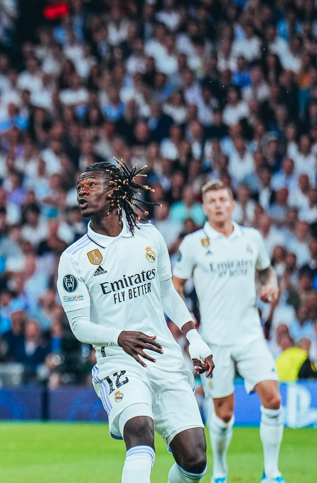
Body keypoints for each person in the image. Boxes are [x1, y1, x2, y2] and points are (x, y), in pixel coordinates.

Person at [57, 160, 214, 483]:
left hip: (165, 355)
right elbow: (79, 326)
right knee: (140, 431)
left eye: (91, 186)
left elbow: (167, 292)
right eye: (79, 189)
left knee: (195, 460)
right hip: (118, 361)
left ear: (114, 191)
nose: (82, 194)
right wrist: (119, 337)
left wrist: (193, 338)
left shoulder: (148, 236)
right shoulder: (74, 258)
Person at [172, 180, 287, 483]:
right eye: (212, 201)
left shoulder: (251, 238)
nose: (219, 205)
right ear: (204, 208)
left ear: (233, 204)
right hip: (214, 342)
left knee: (273, 398)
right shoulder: (193, 243)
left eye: (223, 199)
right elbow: (176, 284)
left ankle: (272, 473)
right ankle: (220, 470)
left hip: (250, 336)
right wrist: (187, 318)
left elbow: (264, 270)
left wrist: (270, 284)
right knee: (223, 413)